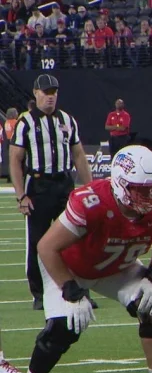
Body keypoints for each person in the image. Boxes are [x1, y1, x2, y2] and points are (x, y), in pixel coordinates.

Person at [9, 146, 152, 373]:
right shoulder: (92, 202)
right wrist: (71, 291)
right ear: (120, 184)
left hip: (118, 267)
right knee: (64, 327)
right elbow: (46, 247)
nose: (151, 197)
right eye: (141, 190)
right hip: (68, 266)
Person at [8, 74, 95, 311]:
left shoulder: (67, 120)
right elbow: (15, 159)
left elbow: (78, 154)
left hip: (64, 184)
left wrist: (90, 188)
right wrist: (21, 195)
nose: (50, 97)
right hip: (38, 185)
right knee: (37, 241)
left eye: (54, 92)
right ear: (35, 93)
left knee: (75, 238)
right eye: (46, 92)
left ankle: (80, 288)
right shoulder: (25, 123)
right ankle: (39, 293)